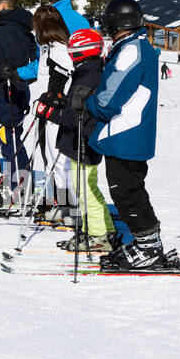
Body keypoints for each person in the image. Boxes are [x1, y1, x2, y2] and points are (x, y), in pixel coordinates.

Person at [86, 0, 180, 272]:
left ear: (116, 22)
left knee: (126, 190)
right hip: (128, 131)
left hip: (126, 131)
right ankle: (146, 242)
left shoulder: (131, 50)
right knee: (129, 188)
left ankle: (148, 246)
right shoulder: (134, 46)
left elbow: (108, 100)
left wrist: (88, 102)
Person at [54, 28, 119, 252]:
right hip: (85, 138)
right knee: (88, 187)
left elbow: (76, 115)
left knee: (84, 189)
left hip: (83, 138)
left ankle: (99, 234)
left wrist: (49, 113)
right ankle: (104, 229)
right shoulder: (90, 70)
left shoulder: (88, 75)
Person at [0, 0, 37, 204]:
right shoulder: (20, 27)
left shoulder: (7, 29)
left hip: (8, 90)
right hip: (14, 88)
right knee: (10, 136)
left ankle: (20, 186)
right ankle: (18, 183)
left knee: (8, 137)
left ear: (3, 5)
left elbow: (11, 63)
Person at [30, 4, 73, 220]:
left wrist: (55, 99)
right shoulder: (47, 46)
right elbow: (43, 78)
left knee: (59, 161)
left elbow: (69, 78)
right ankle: (56, 201)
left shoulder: (61, 49)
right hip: (45, 110)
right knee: (47, 159)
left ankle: (68, 206)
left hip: (58, 112)